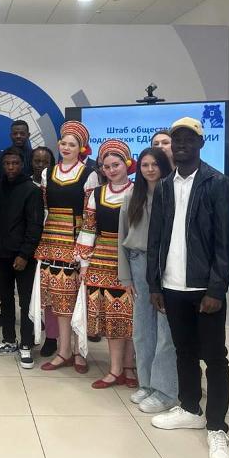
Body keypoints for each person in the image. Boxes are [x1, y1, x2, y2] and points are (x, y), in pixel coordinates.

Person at [147, 117, 229, 458]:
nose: (182, 144)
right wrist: (155, 284)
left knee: (215, 358)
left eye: (189, 139)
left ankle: (217, 427)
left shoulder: (219, 183)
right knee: (184, 352)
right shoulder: (165, 185)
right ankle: (190, 408)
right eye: (177, 139)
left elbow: (225, 242)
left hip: (204, 290)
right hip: (172, 287)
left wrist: (217, 288)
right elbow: (156, 238)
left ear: (201, 143)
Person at [32, 120, 96, 372]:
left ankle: (80, 352)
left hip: (76, 242)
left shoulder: (88, 174)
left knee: (78, 299)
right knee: (58, 301)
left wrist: (84, 252)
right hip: (51, 242)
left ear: (81, 148)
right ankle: (64, 350)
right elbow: (45, 208)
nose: (66, 147)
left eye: (72, 144)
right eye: (63, 143)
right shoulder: (48, 173)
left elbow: (90, 215)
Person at [119, 148, 177, 412]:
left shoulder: (173, 195)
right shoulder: (132, 196)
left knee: (165, 330)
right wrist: (125, 276)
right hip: (138, 262)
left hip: (166, 265)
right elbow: (122, 238)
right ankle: (147, 384)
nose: (150, 169)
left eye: (155, 164)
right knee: (142, 329)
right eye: (145, 165)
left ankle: (165, 389)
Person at [76, 139, 136, 384]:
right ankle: (115, 369)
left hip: (130, 259)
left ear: (127, 164)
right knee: (111, 318)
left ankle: (130, 367)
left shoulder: (137, 191)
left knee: (130, 316)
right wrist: (84, 263)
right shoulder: (97, 194)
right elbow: (89, 228)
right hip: (101, 260)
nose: (111, 170)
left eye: (116, 165)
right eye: (106, 166)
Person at [0, 147, 44, 369]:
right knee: (5, 300)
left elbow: (35, 226)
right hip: (1, 254)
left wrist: (24, 254)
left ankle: (26, 344)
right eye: (7, 163)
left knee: (26, 301)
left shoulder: (32, 190)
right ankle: (9, 340)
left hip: (23, 257)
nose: (11, 167)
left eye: (15, 163)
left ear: (23, 165)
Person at [29, 146, 59, 356]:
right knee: (31, 293)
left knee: (50, 295)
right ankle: (32, 329)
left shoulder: (57, 186)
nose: (40, 165)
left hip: (51, 244)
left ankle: (51, 337)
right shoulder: (25, 184)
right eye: (37, 161)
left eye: (45, 162)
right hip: (29, 246)